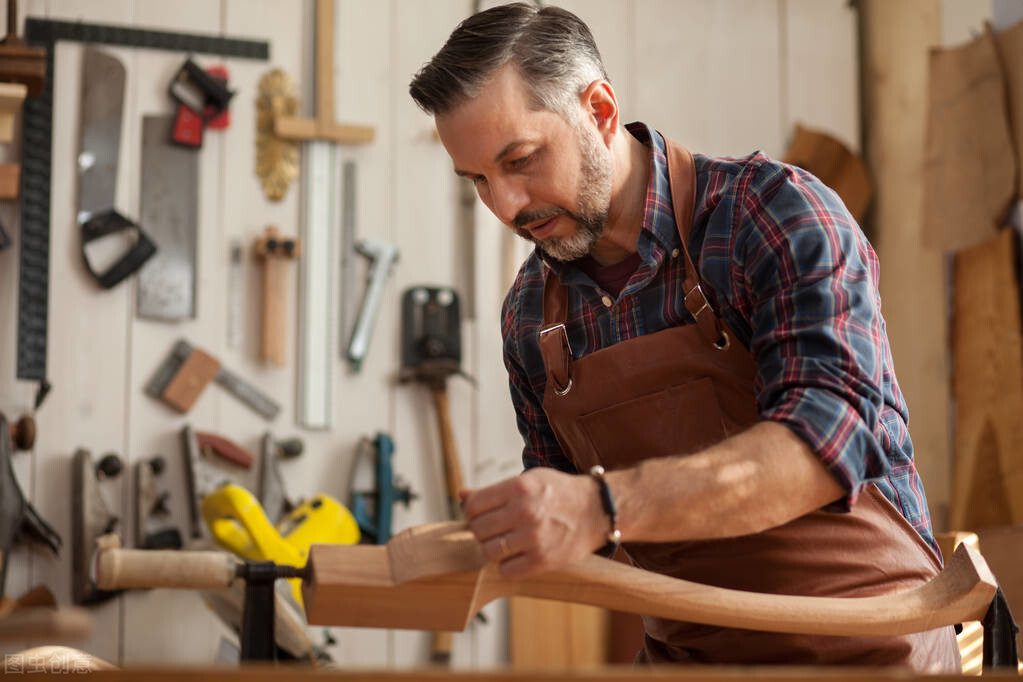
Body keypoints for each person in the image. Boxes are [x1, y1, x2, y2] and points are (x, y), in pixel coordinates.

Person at [409, 2, 959, 669]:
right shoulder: (532, 313)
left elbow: (824, 447)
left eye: (520, 160)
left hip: (867, 651)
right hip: (689, 660)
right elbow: (574, 528)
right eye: (476, 181)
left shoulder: (773, 214)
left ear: (600, 110)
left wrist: (602, 505)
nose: (505, 206)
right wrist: (491, 544)